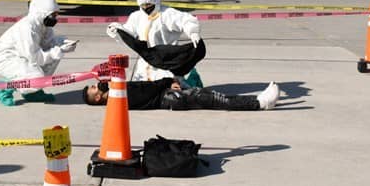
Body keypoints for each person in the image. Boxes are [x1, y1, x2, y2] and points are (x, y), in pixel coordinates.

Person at [107, 0, 202, 85]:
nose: (145, 8)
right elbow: (128, 32)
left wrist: (193, 32)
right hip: (145, 63)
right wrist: (116, 30)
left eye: (148, 5)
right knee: (141, 89)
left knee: (168, 87)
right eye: (143, 5)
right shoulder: (136, 17)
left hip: (166, 62)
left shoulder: (166, 14)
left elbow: (185, 20)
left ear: (155, 1)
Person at [0, 0, 77, 106]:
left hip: (24, 56)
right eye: (53, 15)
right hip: (7, 58)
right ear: (41, 13)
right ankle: (5, 87)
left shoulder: (43, 25)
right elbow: (34, 58)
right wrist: (56, 52)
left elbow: (49, 43)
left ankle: (32, 92)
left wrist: (63, 44)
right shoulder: (27, 28)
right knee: (37, 76)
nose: (55, 18)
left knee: (54, 57)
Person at [83, 78, 280, 111]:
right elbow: (147, 89)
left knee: (212, 96)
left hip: (166, 94)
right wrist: (167, 82)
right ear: (98, 97)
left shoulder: (116, 94)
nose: (96, 85)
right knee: (216, 99)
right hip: (167, 97)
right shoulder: (118, 100)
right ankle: (260, 103)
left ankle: (257, 100)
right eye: (94, 88)